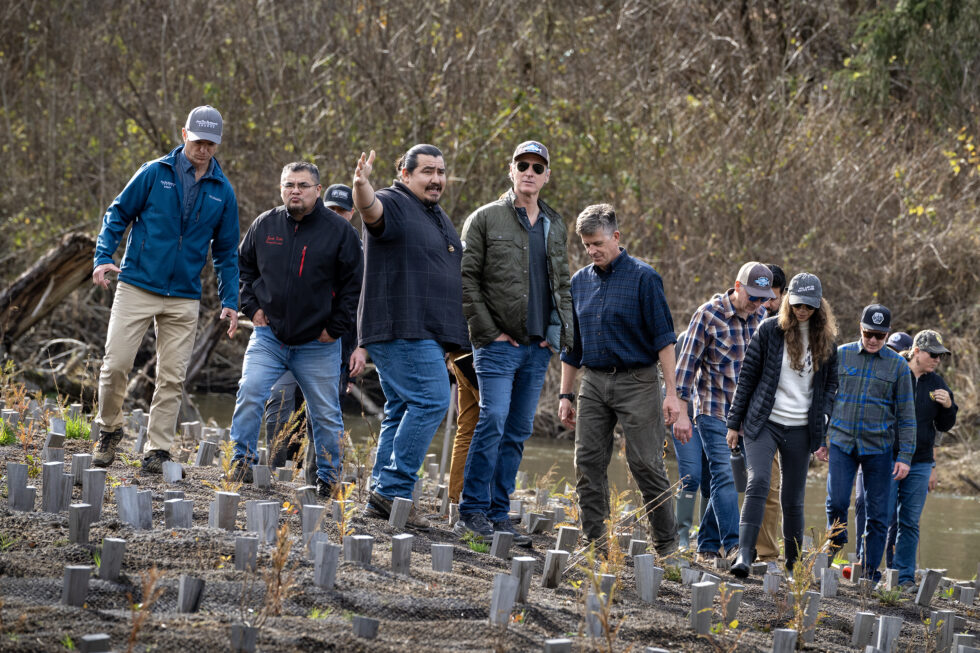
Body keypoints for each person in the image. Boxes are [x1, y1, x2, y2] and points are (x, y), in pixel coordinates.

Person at [91, 105, 240, 473]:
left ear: (218, 144)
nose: (203, 149)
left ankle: (157, 450)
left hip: (184, 296)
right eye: (198, 140)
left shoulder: (223, 191)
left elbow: (225, 252)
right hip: (137, 284)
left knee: (173, 378)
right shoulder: (154, 173)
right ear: (184, 134)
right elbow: (118, 213)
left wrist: (230, 300)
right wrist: (102, 255)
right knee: (115, 366)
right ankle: (109, 429)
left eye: (211, 143)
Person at [456, 140, 573, 545]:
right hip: (497, 346)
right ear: (511, 170)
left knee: (519, 429)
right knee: (492, 420)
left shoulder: (555, 225)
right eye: (522, 164)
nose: (529, 172)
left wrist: (556, 337)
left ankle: (498, 513)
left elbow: (561, 284)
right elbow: (467, 280)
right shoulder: (484, 219)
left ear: (546, 176)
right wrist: (489, 332)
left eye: (537, 167)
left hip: (537, 348)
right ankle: (470, 512)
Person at [352, 144, 469, 530]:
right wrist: (361, 186)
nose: (436, 179)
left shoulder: (434, 214)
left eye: (440, 171)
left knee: (402, 409)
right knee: (431, 400)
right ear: (404, 173)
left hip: (426, 331)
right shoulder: (393, 201)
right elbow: (371, 212)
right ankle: (394, 488)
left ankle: (381, 497)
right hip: (401, 326)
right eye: (427, 172)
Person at [229, 162, 363, 496]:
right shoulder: (265, 225)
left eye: (303, 185)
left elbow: (353, 287)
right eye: (289, 185)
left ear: (318, 190)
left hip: (318, 343)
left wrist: (335, 329)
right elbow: (243, 267)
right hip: (269, 337)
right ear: (281, 188)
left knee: (326, 413)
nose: (295, 191)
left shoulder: (340, 231)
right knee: (250, 391)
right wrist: (252, 307)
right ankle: (241, 462)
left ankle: (328, 479)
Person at [559, 204, 681, 555]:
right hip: (594, 382)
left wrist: (671, 393)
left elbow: (664, 341)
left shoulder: (645, 278)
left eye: (597, 242)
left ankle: (667, 546)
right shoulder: (579, 283)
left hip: (638, 381)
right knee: (587, 462)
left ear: (615, 236)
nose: (592, 250)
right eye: (586, 245)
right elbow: (572, 346)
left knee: (645, 464)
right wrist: (566, 394)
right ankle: (596, 542)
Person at [725, 273, 839, 578]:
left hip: (802, 427)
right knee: (759, 482)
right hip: (764, 421)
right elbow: (747, 378)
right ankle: (745, 555)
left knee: (792, 497)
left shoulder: (827, 341)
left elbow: (830, 387)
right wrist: (734, 424)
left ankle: (793, 563)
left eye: (810, 307)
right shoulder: (769, 330)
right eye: (798, 304)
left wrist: (823, 418)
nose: (803, 311)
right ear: (788, 301)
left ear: (819, 307)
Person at [674, 262, 773, 561]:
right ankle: (734, 546)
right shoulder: (708, 314)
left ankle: (706, 545)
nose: (756, 303)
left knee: (734, 479)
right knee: (724, 476)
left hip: (746, 414)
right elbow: (685, 367)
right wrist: (681, 412)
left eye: (762, 298)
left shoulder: (763, 317)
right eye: (752, 296)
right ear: (738, 286)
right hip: (712, 408)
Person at [825, 304, 915, 582]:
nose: (873, 340)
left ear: (887, 335)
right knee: (837, 501)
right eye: (868, 334)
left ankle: (870, 572)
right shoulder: (841, 355)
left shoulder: (898, 366)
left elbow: (907, 415)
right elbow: (824, 398)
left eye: (879, 335)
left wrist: (906, 456)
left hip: (879, 448)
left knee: (878, 515)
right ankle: (836, 542)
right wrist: (819, 438)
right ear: (860, 329)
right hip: (841, 441)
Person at [887, 329, 957, 591]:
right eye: (933, 354)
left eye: (941, 355)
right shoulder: (895, 371)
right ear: (916, 351)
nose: (938, 359)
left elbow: (945, 425)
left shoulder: (937, 382)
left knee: (909, 521)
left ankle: (904, 578)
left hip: (921, 462)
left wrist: (949, 405)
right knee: (881, 517)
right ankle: (871, 572)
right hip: (889, 457)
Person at [854, 328, 914, 560]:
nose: (893, 355)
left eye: (899, 352)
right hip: (874, 449)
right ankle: (862, 556)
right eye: (891, 350)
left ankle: (888, 562)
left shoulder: (911, 381)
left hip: (902, 456)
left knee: (891, 515)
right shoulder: (875, 375)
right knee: (862, 502)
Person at [756, 263, 787, 571]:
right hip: (744, 416)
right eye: (761, 296)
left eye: (772, 297)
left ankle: (766, 554)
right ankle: (718, 544)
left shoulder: (787, 326)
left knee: (771, 488)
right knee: (723, 480)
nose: (766, 304)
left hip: (778, 419)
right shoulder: (748, 317)